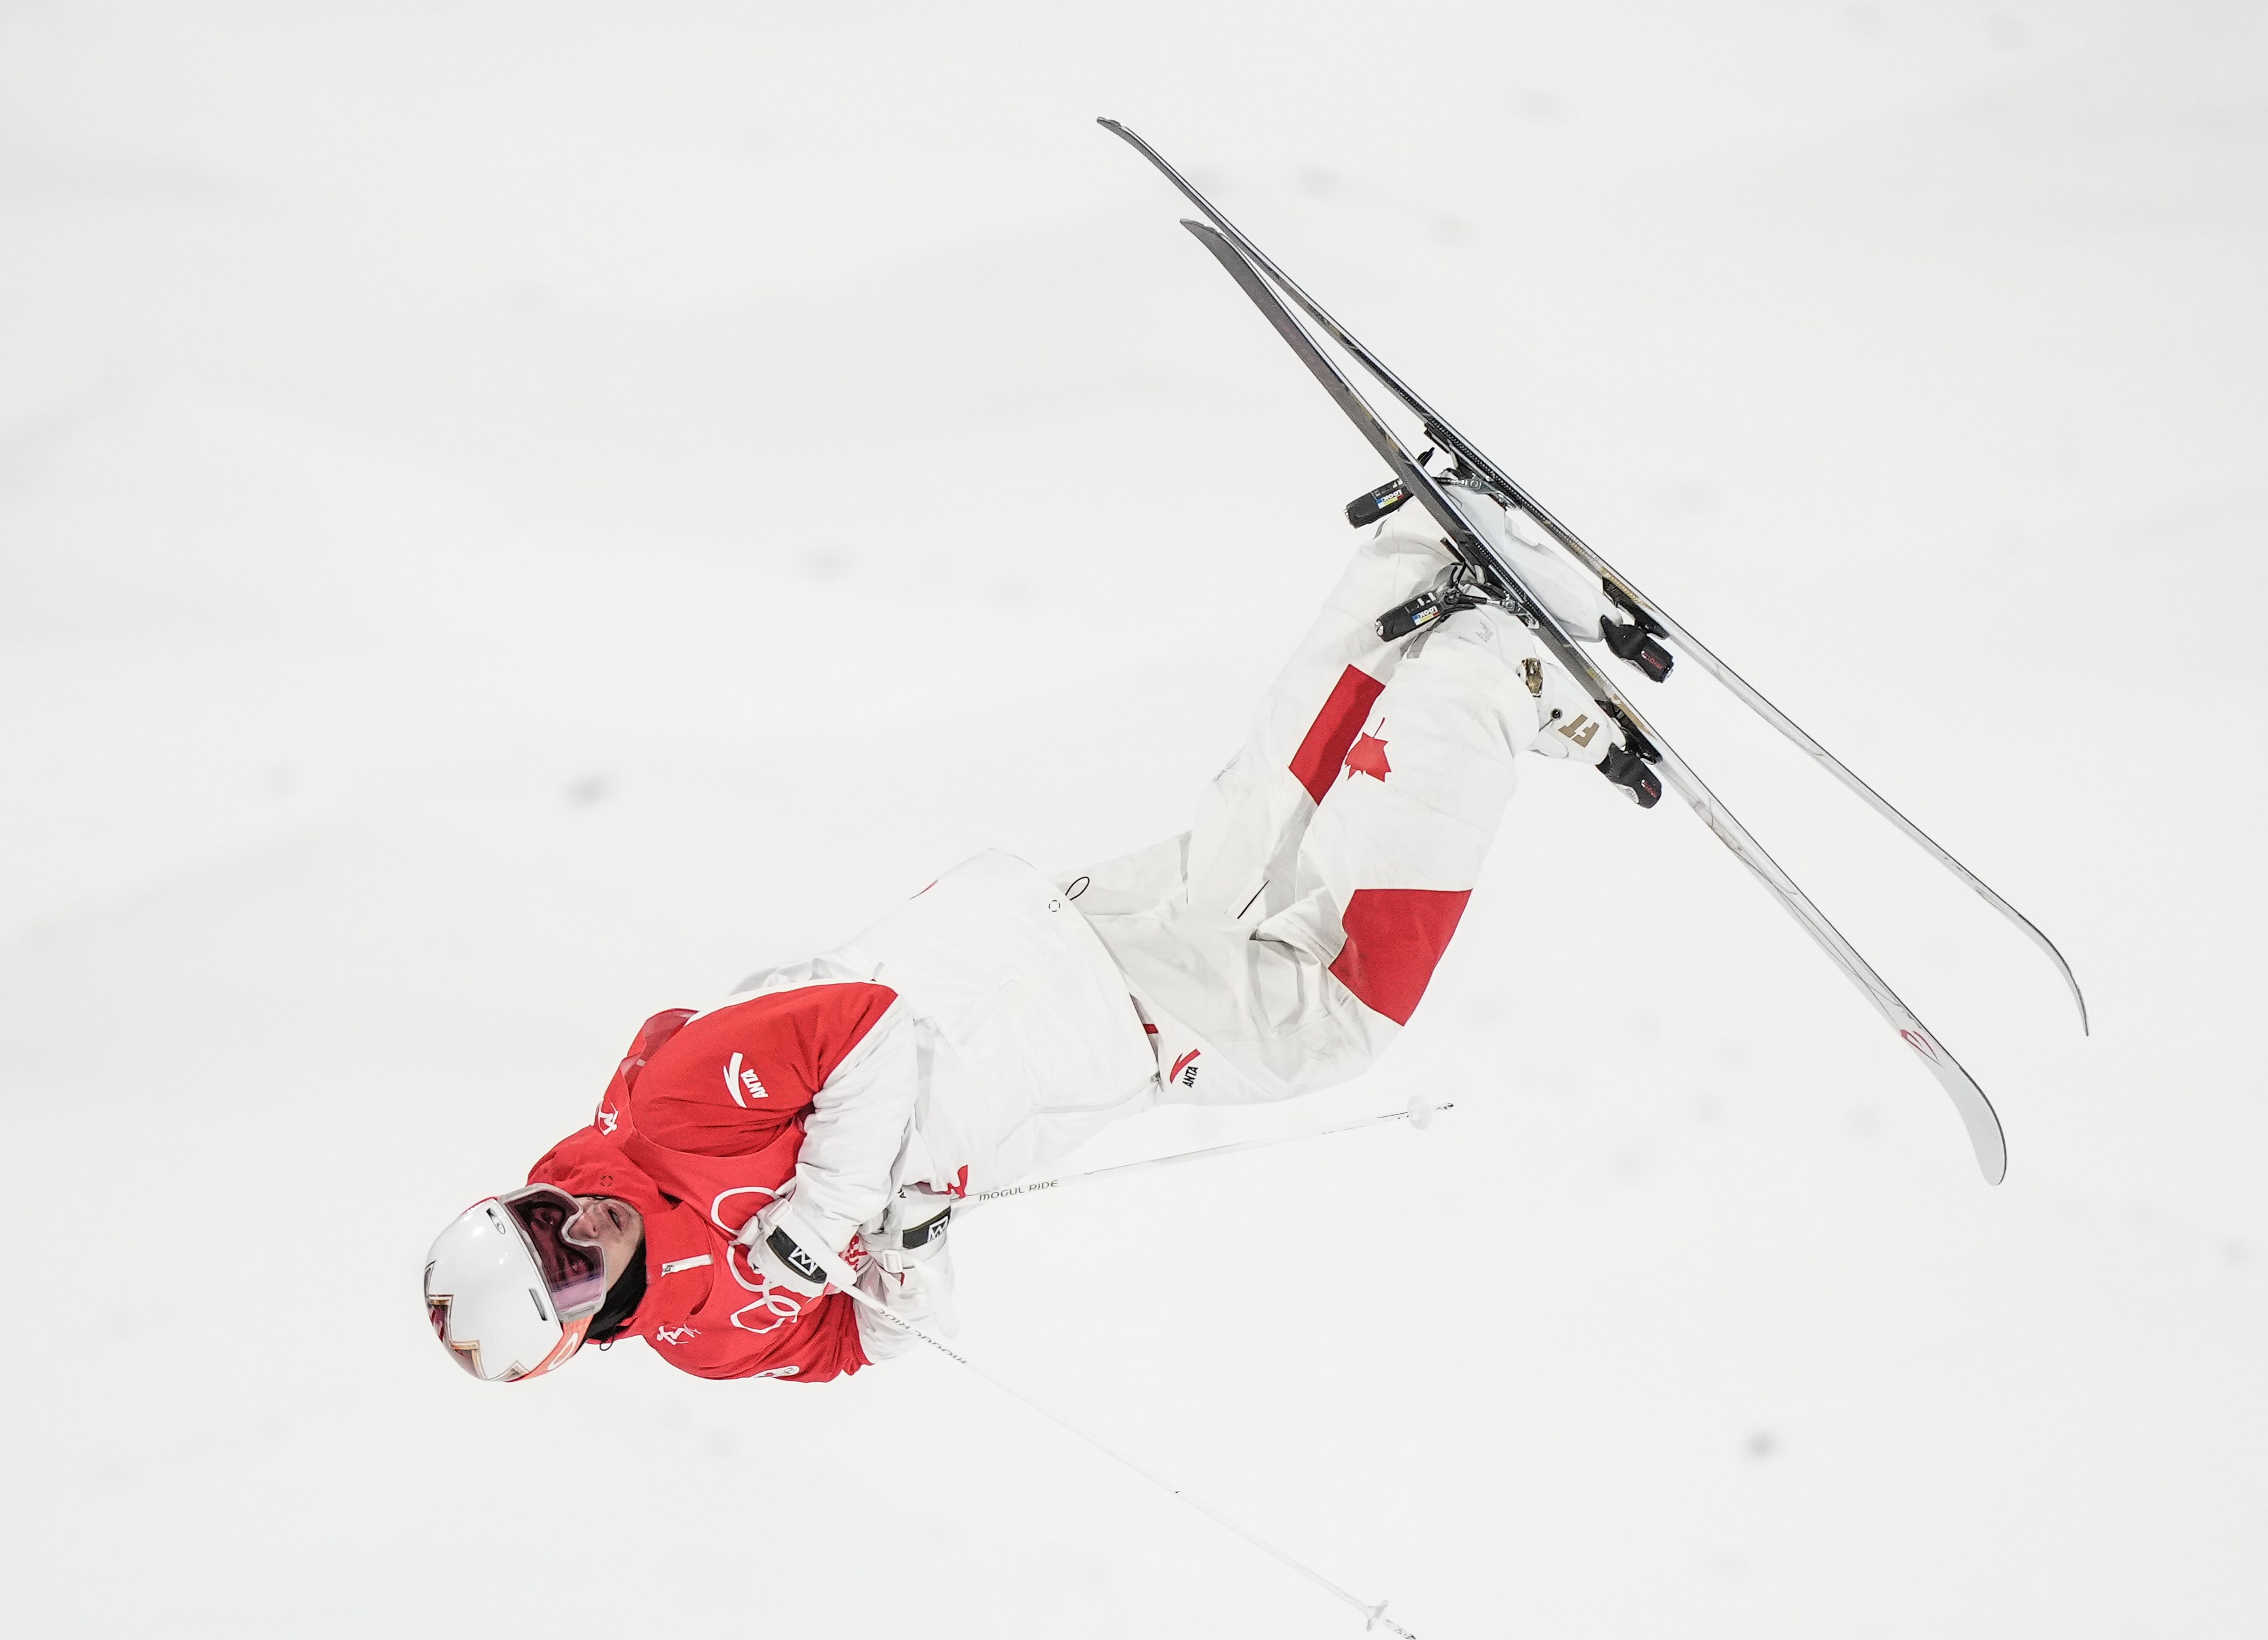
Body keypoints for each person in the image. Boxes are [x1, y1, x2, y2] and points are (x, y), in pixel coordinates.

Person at [424, 482, 1643, 1384]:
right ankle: (1421, 570)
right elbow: (877, 1337)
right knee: (1253, 839)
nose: (576, 1227)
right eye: (565, 1264)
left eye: (539, 1213)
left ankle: (1492, 673)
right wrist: (901, 1241)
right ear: (581, 1330)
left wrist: (820, 1207)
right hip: (1046, 973)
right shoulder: (703, 1338)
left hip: (1052, 1004)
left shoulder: (669, 1111)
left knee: (1338, 1016)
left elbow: (867, 1027)